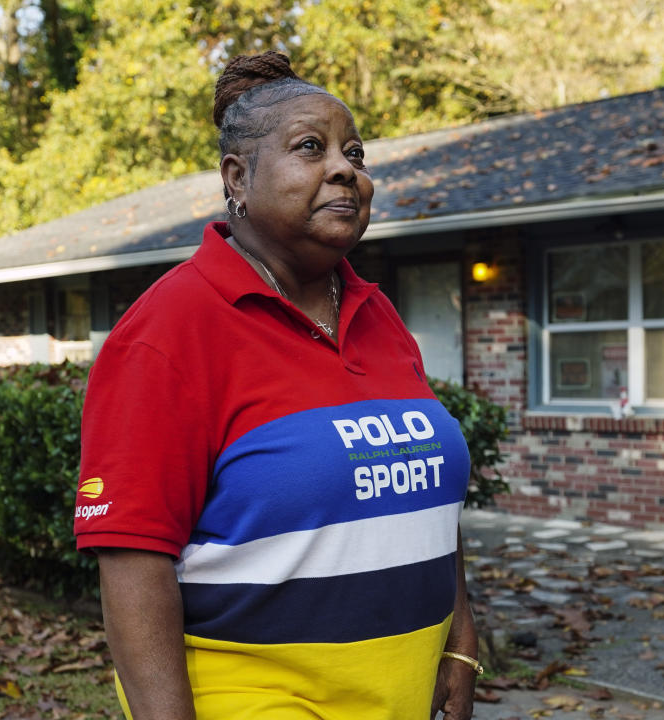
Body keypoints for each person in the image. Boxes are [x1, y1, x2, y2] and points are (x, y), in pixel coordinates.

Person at [74, 50, 480, 720]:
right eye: (310, 148)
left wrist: (460, 635)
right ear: (238, 175)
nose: (346, 168)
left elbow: (426, 491)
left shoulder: (379, 317)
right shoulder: (168, 332)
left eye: (355, 152)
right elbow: (132, 562)